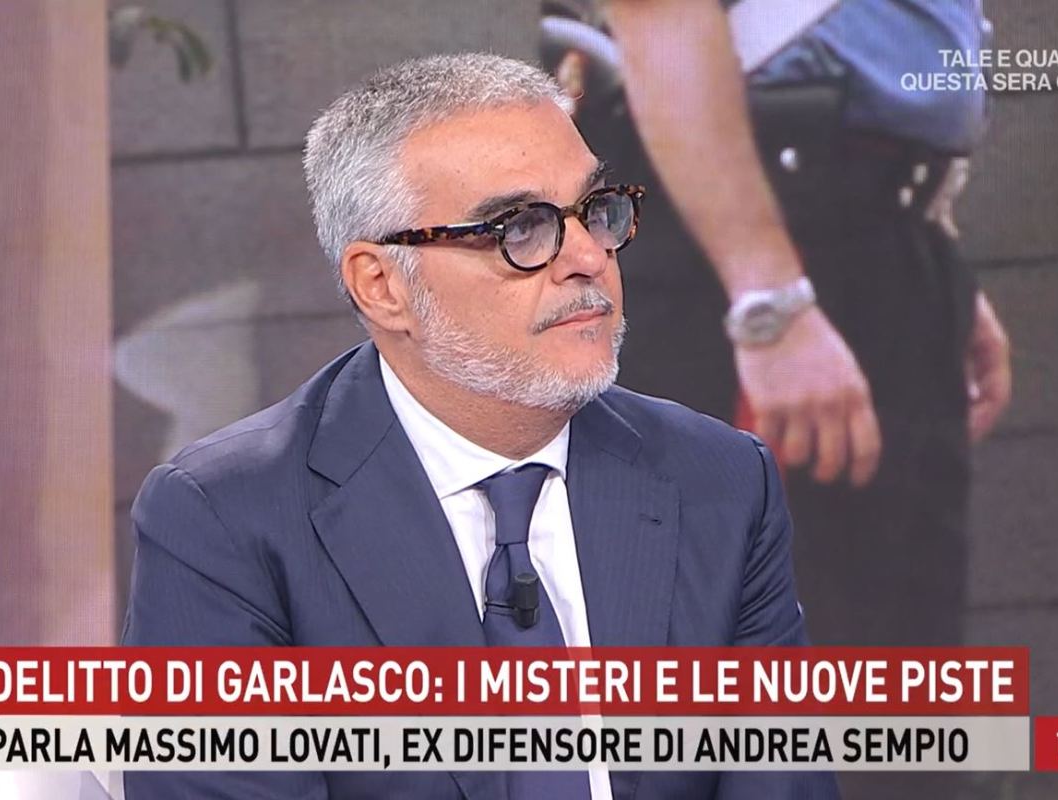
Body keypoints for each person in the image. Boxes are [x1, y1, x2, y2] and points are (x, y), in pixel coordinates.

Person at [122, 53, 838, 800]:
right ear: (382, 285)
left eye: (594, 210)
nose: (588, 257)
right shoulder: (226, 520)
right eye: (520, 229)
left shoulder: (720, 481)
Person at [542, 0, 1012, 651]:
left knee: (890, 655)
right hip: (759, 253)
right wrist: (768, 302)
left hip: (865, 248)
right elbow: (659, 15)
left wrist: (925, 241)